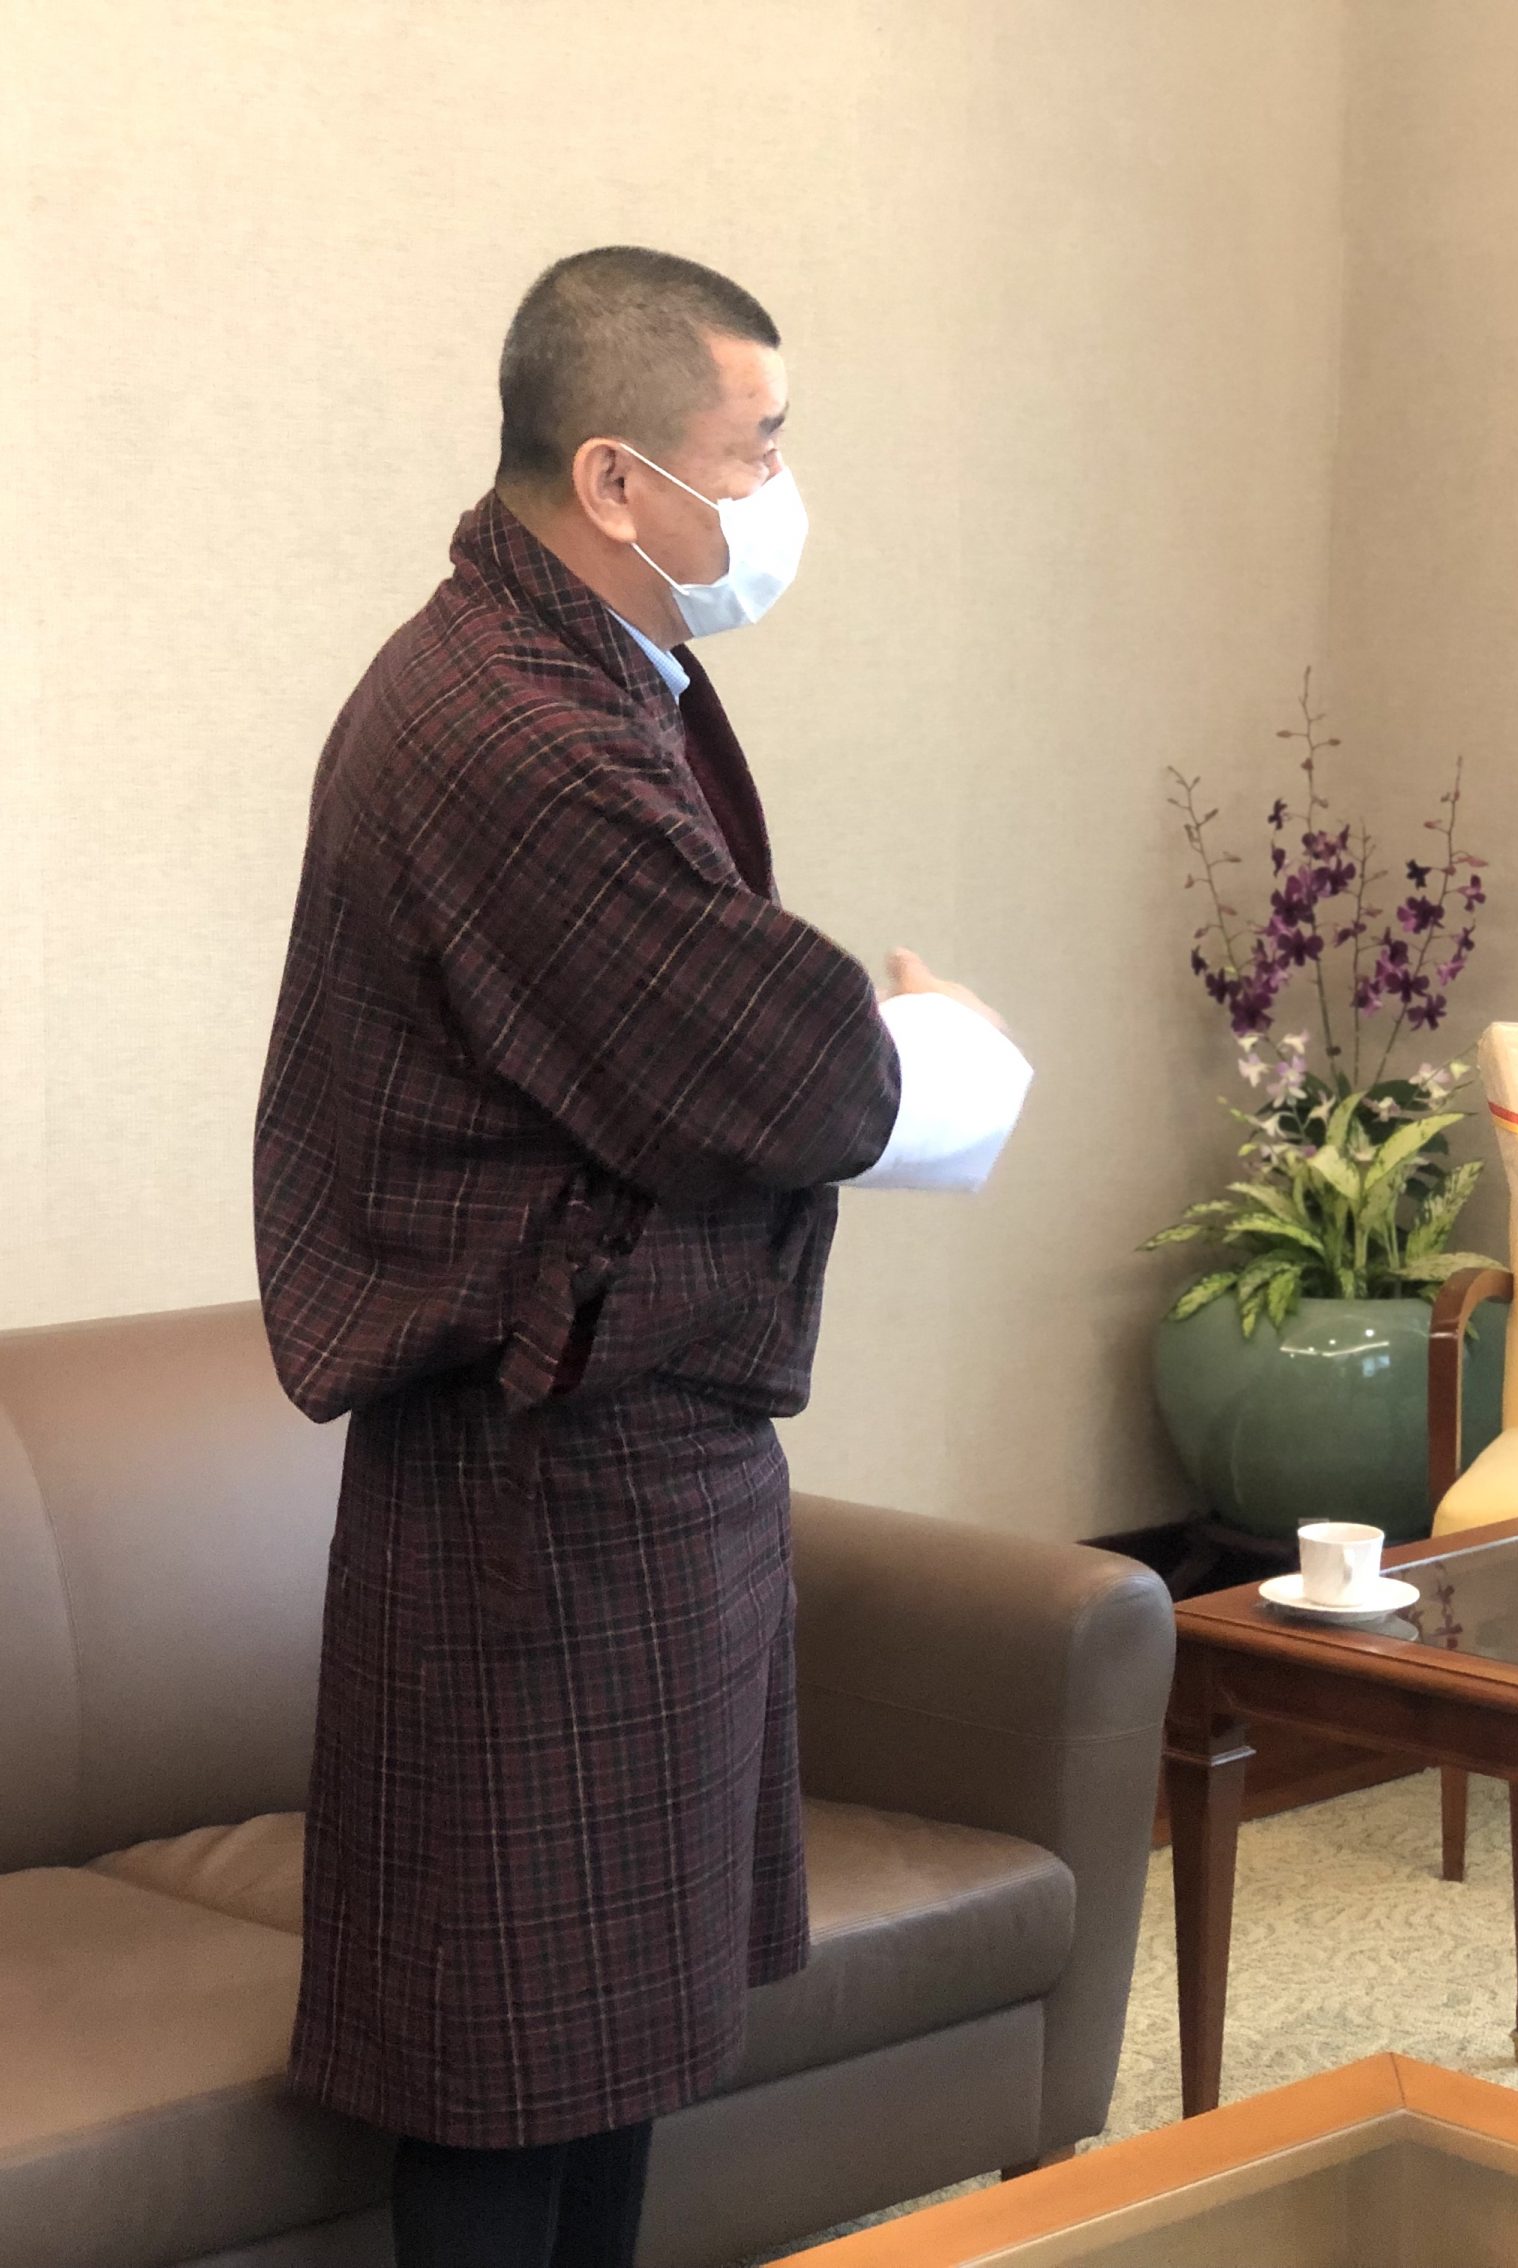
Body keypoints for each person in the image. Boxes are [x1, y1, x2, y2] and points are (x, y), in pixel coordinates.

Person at [255, 246, 1009, 2268]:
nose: (776, 492)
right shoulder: (507, 726)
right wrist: (937, 1049)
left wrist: (867, 1050)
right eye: (754, 451)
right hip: (543, 1476)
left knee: (611, 2041)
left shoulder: (569, 665)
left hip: (626, 1456)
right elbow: (773, 1060)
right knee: (511, 2059)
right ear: (613, 476)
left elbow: (690, 1042)